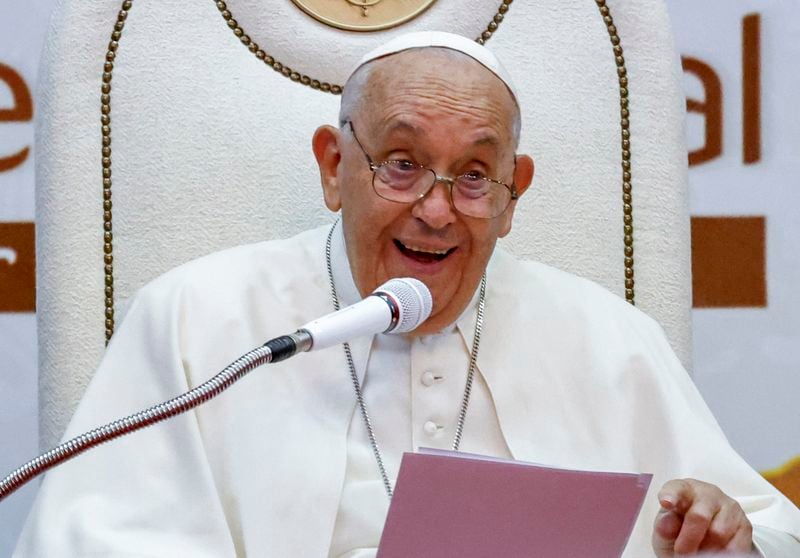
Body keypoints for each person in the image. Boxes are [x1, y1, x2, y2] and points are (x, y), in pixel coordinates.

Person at [14, 32, 800, 557]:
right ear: (333, 166)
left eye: (472, 176)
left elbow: (763, 533)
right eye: (400, 162)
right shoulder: (198, 319)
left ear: (512, 194)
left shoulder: (607, 336)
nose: (434, 208)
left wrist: (723, 538)